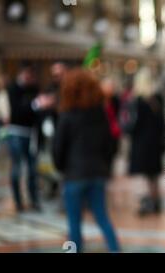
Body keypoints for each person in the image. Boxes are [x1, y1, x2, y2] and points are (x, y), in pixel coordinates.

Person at [53, 68, 120, 253]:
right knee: (102, 217)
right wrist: (105, 166)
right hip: (98, 172)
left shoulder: (67, 115)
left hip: (74, 174)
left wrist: (61, 167)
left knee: (74, 222)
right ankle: (115, 250)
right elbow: (109, 144)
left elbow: (58, 148)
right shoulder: (100, 113)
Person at [6, 64, 55, 212]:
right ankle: (18, 201)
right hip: (16, 133)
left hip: (31, 134)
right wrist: (36, 104)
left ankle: (34, 200)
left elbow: (35, 113)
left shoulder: (34, 89)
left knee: (33, 170)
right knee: (17, 169)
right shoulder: (13, 88)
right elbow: (17, 112)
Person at [127, 67, 165, 215]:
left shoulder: (138, 100)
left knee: (143, 175)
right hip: (156, 143)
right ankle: (156, 202)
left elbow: (134, 124)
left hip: (141, 144)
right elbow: (162, 122)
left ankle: (146, 202)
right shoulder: (158, 98)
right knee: (153, 175)